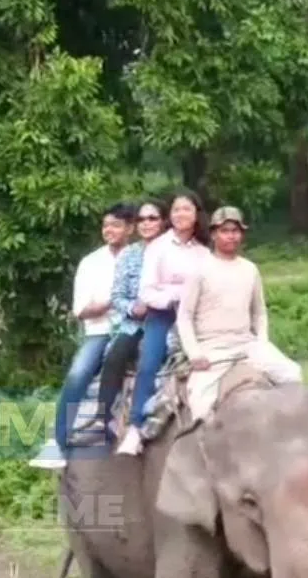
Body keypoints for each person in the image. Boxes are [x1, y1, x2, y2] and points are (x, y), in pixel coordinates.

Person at [177, 207, 302, 419]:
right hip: (212, 349)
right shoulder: (199, 269)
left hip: (247, 345)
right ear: (214, 234)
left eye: (235, 231)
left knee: (293, 374)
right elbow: (184, 316)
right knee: (200, 406)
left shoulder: (250, 269)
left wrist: (262, 341)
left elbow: (259, 312)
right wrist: (194, 353)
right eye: (225, 231)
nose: (231, 236)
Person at [66, 198, 169, 449]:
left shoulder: (175, 251)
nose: (146, 223)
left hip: (169, 320)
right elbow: (118, 295)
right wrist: (133, 308)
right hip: (135, 323)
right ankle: (101, 421)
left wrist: (162, 303)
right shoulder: (130, 255)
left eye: (152, 218)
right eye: (142, 219)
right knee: (114, 356)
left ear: (163, 222)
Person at [118, 191, 211, 457]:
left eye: (187, 209)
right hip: (163, 314)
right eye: (176, 209)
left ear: (196, 215)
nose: (181, 214)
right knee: (149, 364)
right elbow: (147, 292)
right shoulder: (158, 247)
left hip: (194, 316)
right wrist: (175, 295)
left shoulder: (204, 252)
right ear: (171, 216)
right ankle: (136, 427)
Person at [51, 202, 136, 455]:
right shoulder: (91, 262)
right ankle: (59, 439)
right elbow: (81, 309)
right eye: (106, 225)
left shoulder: (141, 257)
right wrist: (115, 301)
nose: (109, 230)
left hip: (133, 328)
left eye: (116, 225)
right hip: (99, 331)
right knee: (78, 374)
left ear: (130, 228)